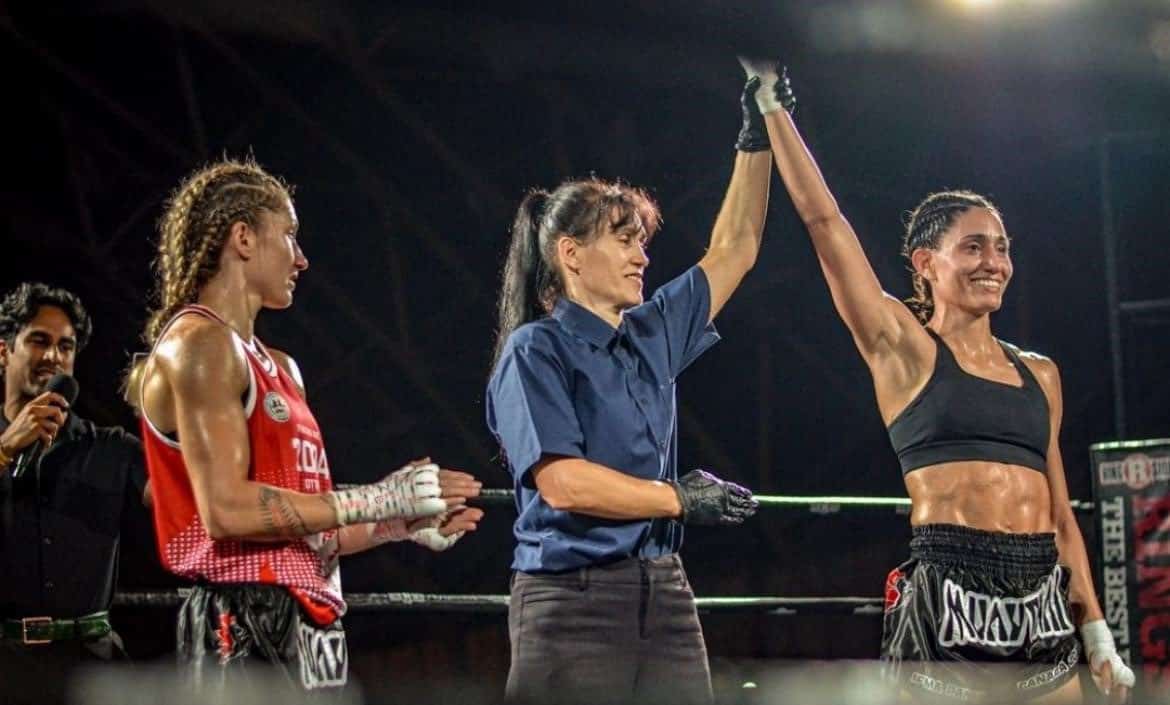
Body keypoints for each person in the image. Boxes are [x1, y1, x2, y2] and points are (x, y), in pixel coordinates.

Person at [741, 57, 1135, 702]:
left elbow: (1062, 515)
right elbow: (825, 224)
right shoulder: (905, 350)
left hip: (1039, 595)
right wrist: (771, 104)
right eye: (975, 246)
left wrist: (1096, 631)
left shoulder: (1041, 373)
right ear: (926, 263)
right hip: (948, 590)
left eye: (1002, 247)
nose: (995, 262)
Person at [136, 158, 484, 692]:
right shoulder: (198, 344)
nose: (301, 259)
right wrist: (376, 498)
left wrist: (397, 522)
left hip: (313, 617)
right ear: (244, 238)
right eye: (289, 236)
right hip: (241, 612)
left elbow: (303, 527)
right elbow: (227, 511)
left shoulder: (282, 366)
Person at [485, 71, 773, 705]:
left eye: (642, 240)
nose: (643, 256)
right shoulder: (536, 349)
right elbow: (564, 483)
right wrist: (676, 498)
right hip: (572, 600)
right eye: (624, 240)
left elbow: (739, 246)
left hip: (665, 590)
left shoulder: (649, 333)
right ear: (571, 253)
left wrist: (758, 128)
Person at [0, 282, 148, 702]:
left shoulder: (112, 448)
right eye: (39, 341)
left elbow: (179, 502)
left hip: (93, 670)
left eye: (65, 347)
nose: (53, 357)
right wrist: (7, 447)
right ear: (4, 351)